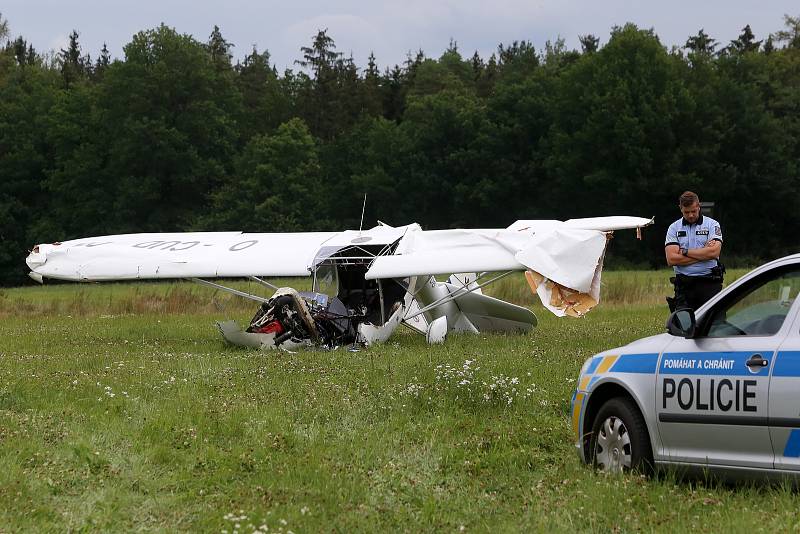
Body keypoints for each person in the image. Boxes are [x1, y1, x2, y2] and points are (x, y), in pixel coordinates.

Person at [664, 191, 724, 312]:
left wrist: (685, 252)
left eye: (693, 211)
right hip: (684, 286)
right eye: (687, 212)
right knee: (684, 326)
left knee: (715, 325)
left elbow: (714, 253)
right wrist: (703, 253)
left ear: (698, 207)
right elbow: (671, 259)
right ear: (680, 208)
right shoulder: (674, 228)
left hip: (709, 283)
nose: (691, 215)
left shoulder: (712, 225)